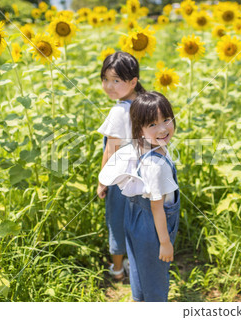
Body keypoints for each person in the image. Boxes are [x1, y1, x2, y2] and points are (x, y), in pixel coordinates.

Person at [99, 91, 180, 301]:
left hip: (134, 217)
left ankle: (139, 300)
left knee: (138, 266)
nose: (162, 128)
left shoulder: (141, 145)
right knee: (154, 276)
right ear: (140, 130)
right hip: (153, 227)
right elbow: (157, 207)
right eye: (152, 124)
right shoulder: (156, 166)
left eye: (166, 120)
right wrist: (164, 242)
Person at [96, 51, 146, 281]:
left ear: (132, 81)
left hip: (120, 178)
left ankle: (117, 270)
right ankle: (135, 263)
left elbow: (111, 150)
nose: (109, 86)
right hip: (144, 176)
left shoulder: (118, 111)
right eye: (105, 79)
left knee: (116, 220)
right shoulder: (146, 103)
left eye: (116, 80)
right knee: (138, 221)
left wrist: (101, 181)